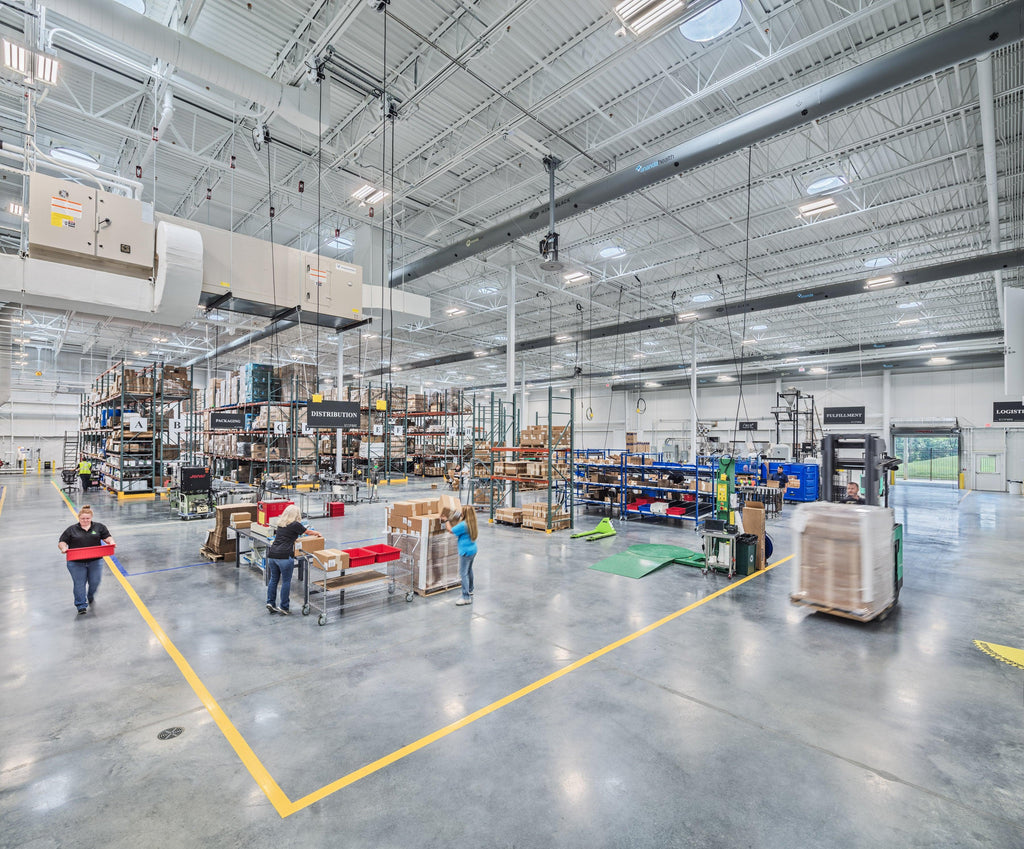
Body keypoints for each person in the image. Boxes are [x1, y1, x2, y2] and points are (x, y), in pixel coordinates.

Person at [265, 504, 322, 615]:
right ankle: (284, 606)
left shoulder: (281, 524)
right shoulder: (295, 524)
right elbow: (308, 532)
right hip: (284, 556)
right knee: (286, 581)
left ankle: (270, 602)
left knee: (274, 579)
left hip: (272, 555)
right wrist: (318, 533)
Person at [58, 505, 114, 615]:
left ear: (91, 517)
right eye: (83, 518)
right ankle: (81, 605)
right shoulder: (71, 530)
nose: (85, 520)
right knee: (79, 583)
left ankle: (90, 595)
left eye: (87, 518)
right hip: (76, 563)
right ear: (79, 518)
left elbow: (107, 537)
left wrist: (111, 542)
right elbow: (62, 542)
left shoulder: (99, 527)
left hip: (95, 561)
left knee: (95, 582)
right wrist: (63, 548)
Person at [445, 505, 478, 607]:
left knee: (463, 573)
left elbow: (451, 530)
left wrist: (446, 520)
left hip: (465, 552)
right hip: (473, 550)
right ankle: (470, 589)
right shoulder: (472, 523)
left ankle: (466, 597)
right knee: (469, 570)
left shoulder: (463, 525)